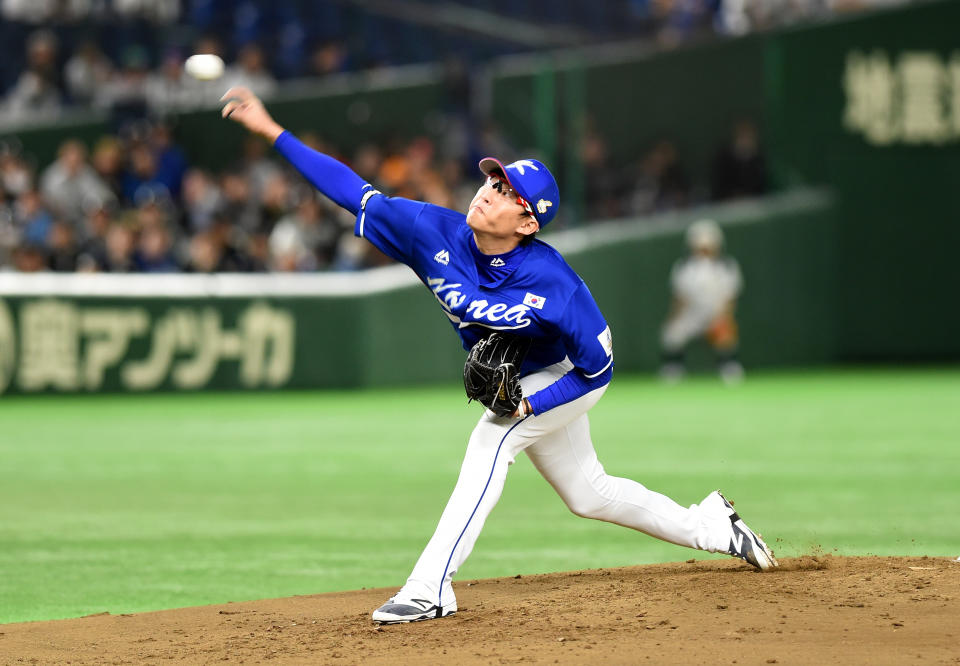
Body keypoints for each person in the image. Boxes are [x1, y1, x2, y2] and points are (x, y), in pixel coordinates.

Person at [220, 86, 778, 625]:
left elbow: (599, 368)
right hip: (524, 376)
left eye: (507, 191)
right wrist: (272, 130)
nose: (489, 190)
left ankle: (430, 587)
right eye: (493, 179)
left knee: (494, 438)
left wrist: (534, 408)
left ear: (527, 222)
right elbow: (350, 190)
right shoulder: (429, 231)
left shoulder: (553, 281)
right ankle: (715, 527)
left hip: (565, 375)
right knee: (590, 493)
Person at [660, 219, 745, 383]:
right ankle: (673, 369)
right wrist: (674, 319)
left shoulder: (727, 267)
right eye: (700, 246)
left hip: (716, 315)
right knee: (672, 333)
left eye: (707, 246)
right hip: (691, 316)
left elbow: (730, 300)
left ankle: (729, 368)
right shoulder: (684, 268)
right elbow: (679, 299)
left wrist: (723, 319)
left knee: (725, 334)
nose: (703, 250)